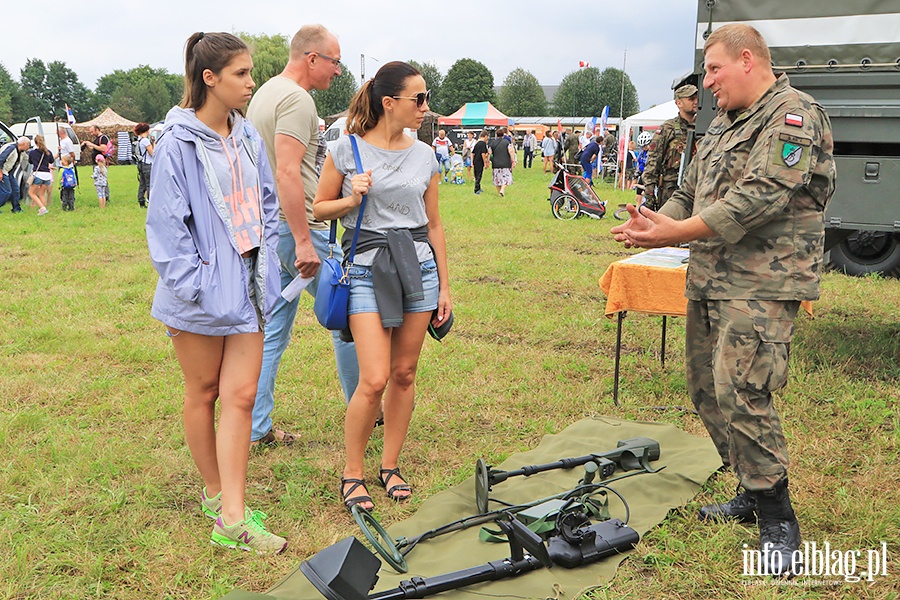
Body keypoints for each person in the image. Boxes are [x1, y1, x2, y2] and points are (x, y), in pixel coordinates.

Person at [611, 23, 835, 576]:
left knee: (743, 389)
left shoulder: (793, 115)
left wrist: (677, 233)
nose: (706, 83)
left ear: (747, 60)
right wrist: (660, 216)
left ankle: (779, 519)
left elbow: (758, 197)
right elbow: (695, 188)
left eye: (713, 70)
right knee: (705, 386)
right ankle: (748, 488)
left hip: (765, 280)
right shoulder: (722, 122)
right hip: (712, 275)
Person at [146, 31, 288, 554]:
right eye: (242, 74)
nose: (252, 83)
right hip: (200, 297)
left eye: (251, 73)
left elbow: (268, 202)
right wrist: (201, 286)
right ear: (210, 78)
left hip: (250, 290)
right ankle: (218, 496)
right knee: (203, 393)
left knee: (242, 397)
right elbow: (166, 230)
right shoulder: (176, 143)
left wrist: (266, 261)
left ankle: (232, 515)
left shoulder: (247, 135)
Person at [313, 61, 451, 512]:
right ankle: (353, 473)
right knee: (372, 379)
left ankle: (389, 465)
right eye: (419, 99)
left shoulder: (425, 155)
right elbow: (319, 209)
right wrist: (352, 198)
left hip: (419, 270)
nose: (426, 108)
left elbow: (433, 223)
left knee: (404, 373)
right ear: (389, 102)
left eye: (426, 98)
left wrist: (445, 287)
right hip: (368, 271)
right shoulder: (345, 149)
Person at [246, 24, 359, 447]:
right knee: (344, 314)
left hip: (268, 226)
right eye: (335, 62)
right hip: (297, 229)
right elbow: (287, 171)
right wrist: (305, 240)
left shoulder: (267, 93)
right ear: (312, 58)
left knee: (272, 328)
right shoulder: (297, 100)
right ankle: (364, 409)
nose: (337, 72)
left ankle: (257, 428)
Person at [641, 84, 698, 211]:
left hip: (696, 189)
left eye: (696, 98)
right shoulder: (668, 129)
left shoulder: (703, 128)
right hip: (671, 191)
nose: (696, 102)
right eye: (691, 99)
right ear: (679, 103)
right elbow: (653, 163)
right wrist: (649, 196)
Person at [82, 125, 112, 202]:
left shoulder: (103, 138)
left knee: (102, 180)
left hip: (101, 163)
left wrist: (92, 144)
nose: (91, 134)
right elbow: (93, 149)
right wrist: (87, 145)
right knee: (99, 179)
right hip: (96, 162)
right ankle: (103, 196)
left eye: (92, 131)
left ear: (97, 130)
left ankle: (105, 196)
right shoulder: (97, 139)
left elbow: (103, 148)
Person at [0, 137, 29, 214]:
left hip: (10, 173)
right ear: (23, 144)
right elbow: (0, 160)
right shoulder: (11, 149)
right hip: (3, 171)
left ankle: (16, 208)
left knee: (15, 190)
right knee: (6, 192)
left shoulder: (21, 152)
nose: (28, 147)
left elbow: (29, 159)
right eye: (28, 145)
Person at [28, 134, 54, 215]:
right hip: (47, 175)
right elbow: (51, 161)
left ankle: (42, 208)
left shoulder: (32, 152)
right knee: (42, 194)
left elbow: (30, 161)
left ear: (35, 142)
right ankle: (44, 209)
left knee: (32, 193)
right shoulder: (48, 152)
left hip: (38, 174)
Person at [489, 126, 515, 197]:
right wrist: (513, 161)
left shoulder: (493, 143)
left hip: (496, 163)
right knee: (506, 178)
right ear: (503, 134)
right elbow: (511, 151)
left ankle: (499, 192)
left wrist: (488, 161)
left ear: (496, 135)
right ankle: (502, 190)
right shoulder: (507, 142)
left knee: (497, 179)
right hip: (506, 163)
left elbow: (489, 153)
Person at [134, 122, 154, 208]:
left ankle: (141, 201)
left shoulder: (139, 140)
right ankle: (150, 201)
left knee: (142, 183)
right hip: (148, 164)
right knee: (149, 184)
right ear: (146, 130)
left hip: (141, 164)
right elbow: (152, 153)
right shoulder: (145, 141)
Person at [472, 130, 489, 195]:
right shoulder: (483, 143)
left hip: (475, 160)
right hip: (480, 161)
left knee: (476, 174)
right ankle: (476, 189)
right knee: (479, 175)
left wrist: (472, 161)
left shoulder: (477, 143)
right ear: (485, 136)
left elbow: (473, 153)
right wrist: (485, 162)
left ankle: (478, 187)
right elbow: (483, 153)